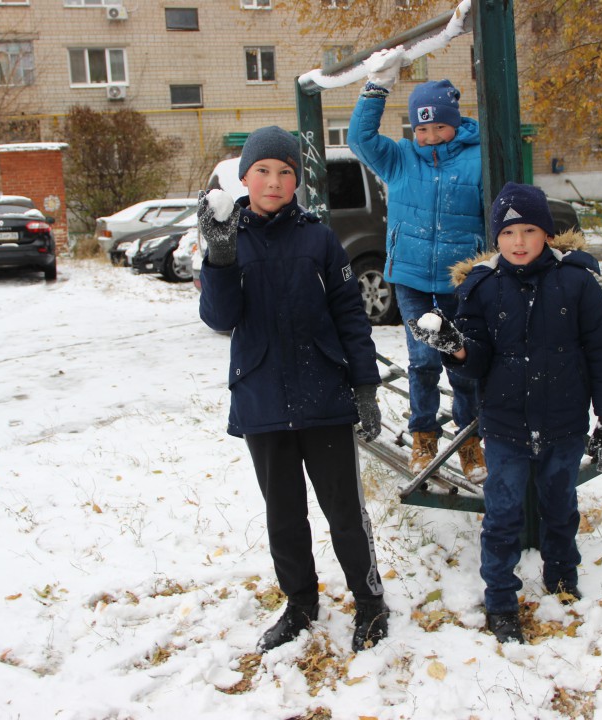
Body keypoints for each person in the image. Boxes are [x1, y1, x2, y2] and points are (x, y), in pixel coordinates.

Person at [197, 125, 389, 654]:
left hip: (324, 398)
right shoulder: (227, 237)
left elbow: (351, 316)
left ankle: (370, 602)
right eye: (263, 170)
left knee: (344, 513)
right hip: (262, 400)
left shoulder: (319, 238)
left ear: (296, 181)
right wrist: (218, 259)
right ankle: (301, 603)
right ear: (244, 178)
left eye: (285, 172)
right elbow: (219, 317)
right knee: (284, 516)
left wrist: (365, 387)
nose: (274, 181)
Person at [409, 182, 602, 645]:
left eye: (530, 230)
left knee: (560, 505)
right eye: (509, 233)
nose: (520, 242)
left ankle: (562, 577)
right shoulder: (482, 287)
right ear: (497, 239)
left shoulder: (577, 283)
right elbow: (477, 359)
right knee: (503, 514)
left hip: (564, 422)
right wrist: (459, 350)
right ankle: (501, 599)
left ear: (547, 233)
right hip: (506, 425)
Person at [347, 53, 487, 483]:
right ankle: (424, 435)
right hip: (409, 279)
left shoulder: (478, 158)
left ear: (455, 123)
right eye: (421, 127)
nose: (428, 136)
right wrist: (376, 89)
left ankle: (469, 439)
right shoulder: (401, 157)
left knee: (461, 363)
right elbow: (359, 137)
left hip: (459, 280)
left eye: (437, 126)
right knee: (424, 360)